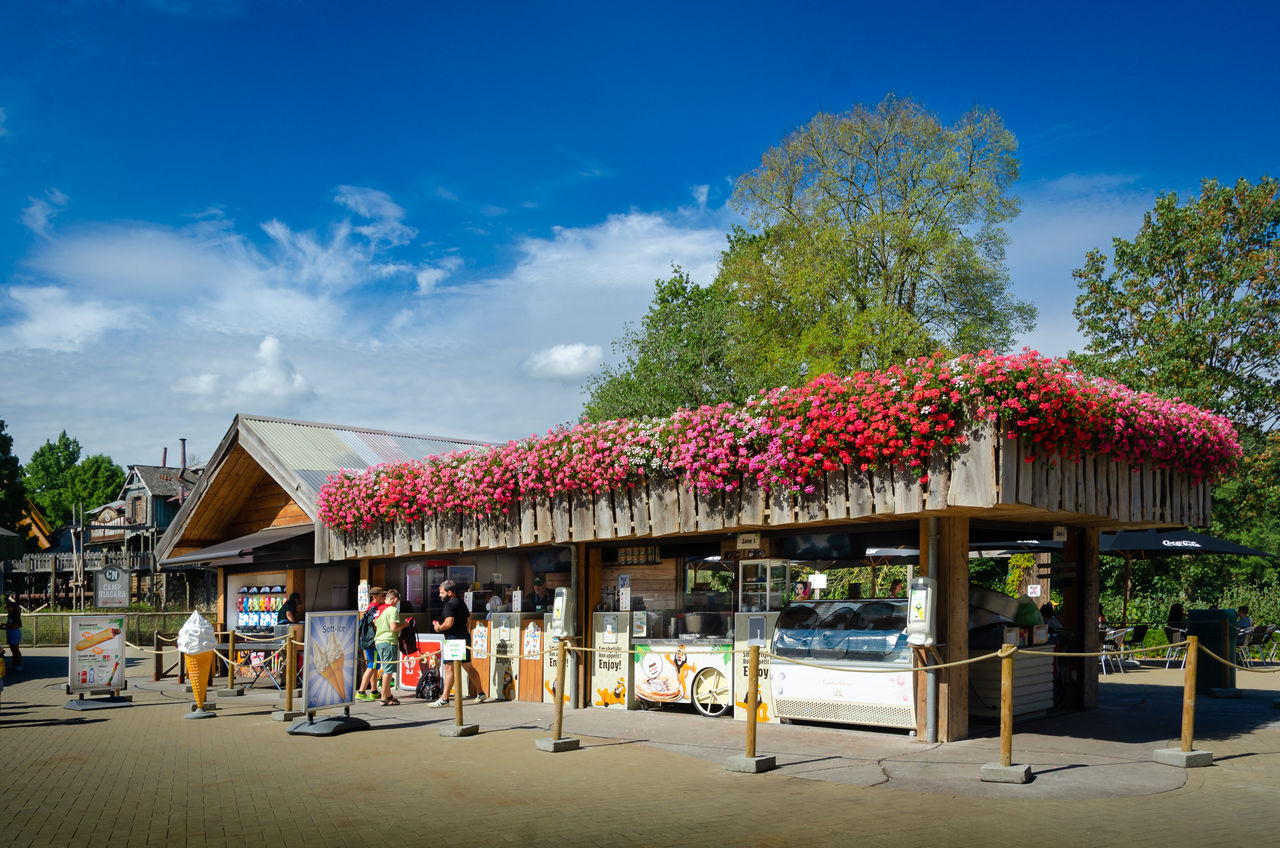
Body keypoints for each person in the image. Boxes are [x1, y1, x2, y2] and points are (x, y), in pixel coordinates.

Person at [431, 579, 486, 706]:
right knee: (468, 666)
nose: (440, 595)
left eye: (442, 593)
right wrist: (465, 634)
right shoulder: (461, 603)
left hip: (453, 639)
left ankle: (444, 699)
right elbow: (468, 620)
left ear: (449, 592)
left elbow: (449, 622)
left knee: (449, 667)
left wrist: (438, 627)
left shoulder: (450, 605)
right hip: (463, 637)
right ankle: (481, 693)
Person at [374, 589, 413, 705]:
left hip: (379, 641)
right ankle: (384, 698)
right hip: (389, 641)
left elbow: (376, 624)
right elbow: (393, 628)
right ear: (395, 600)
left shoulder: (380, 609)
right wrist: (405, 625)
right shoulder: (392, 610)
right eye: (397, 602)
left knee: (386, 669)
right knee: (388, 671)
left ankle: (388, 694)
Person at [356, 587, 388, 700]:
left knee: (374, 666)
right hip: (372, 642)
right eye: (381, 595)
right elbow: (376, 624)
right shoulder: (374, 610)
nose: (383, 598)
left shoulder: (369, 608)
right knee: (371, 666)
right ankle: (361, 691)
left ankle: (374, 690)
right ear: (374, 597)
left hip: (368, 641)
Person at [4, 595, 22, 672]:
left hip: (15, 633)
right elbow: (9, 626)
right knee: (12, 650)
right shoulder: (10, 615)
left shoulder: (16, 615)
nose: (7, 609)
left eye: (8, 607)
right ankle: (14, 664)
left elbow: (16, 626)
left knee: (16, 650)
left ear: (12, 607)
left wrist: (6, 625)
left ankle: (19, 664)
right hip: (10, 632)